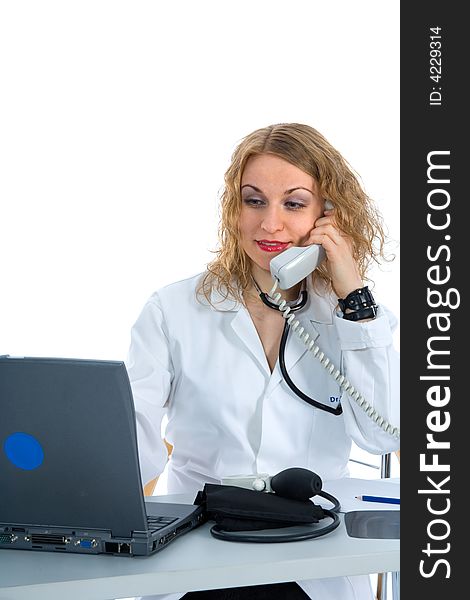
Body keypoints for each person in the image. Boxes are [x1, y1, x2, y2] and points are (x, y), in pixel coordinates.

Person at [125, 123, 400, 600]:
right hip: (199, 554)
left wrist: (354, 297)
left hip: (312, 559)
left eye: (293, 203)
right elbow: (132, 445)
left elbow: (384, 434)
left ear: (327, 216)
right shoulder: (173, 308)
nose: (270, 224)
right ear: (234, 209)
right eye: (254, 200)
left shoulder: (360, 321)